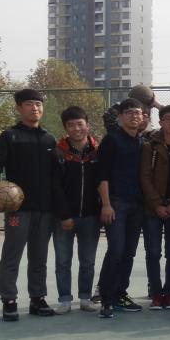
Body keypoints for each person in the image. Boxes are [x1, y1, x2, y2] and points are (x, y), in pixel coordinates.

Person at [0, 88, 58, 321]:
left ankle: (38, 298)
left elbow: (56, 175)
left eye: (38, 104)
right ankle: (9, 299)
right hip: (18, 210)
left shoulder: (49, 138)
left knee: (39, 256)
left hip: (45, 209)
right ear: (19, 108)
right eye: (29, 104)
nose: (35, 108)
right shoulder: (10, 136)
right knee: (12, 254)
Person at [94, 98, 146, 318]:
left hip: (137, 205)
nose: (134, 116)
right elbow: (102, 175)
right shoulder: (111, 141)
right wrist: (106, 204)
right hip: (116, 203)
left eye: (138, 113)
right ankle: (106, 299)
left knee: (129, 252)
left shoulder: (142, 142)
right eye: (129, 113)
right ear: (121, 116)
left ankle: (120, 294)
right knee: (116, 250)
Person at [50, 106, 101, 315]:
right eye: (71, 125)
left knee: (87, 261)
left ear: (87, 125)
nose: (76, 128)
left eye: (80, 124)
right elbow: (54, 187)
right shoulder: (58, 152)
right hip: (64, 218)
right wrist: (64, 215)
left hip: (91, 216)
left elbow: (103, 183)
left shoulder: (98, 152)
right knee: (63, 261)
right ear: (65, 128)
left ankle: (85, 298)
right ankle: (64, 299)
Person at [140, 105, 170, 310]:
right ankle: (156, 293)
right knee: (153, 252)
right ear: (161, 122)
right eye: (167, 119)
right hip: (153, 209)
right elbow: (145, 177)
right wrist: (157, 204)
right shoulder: (150, 146)